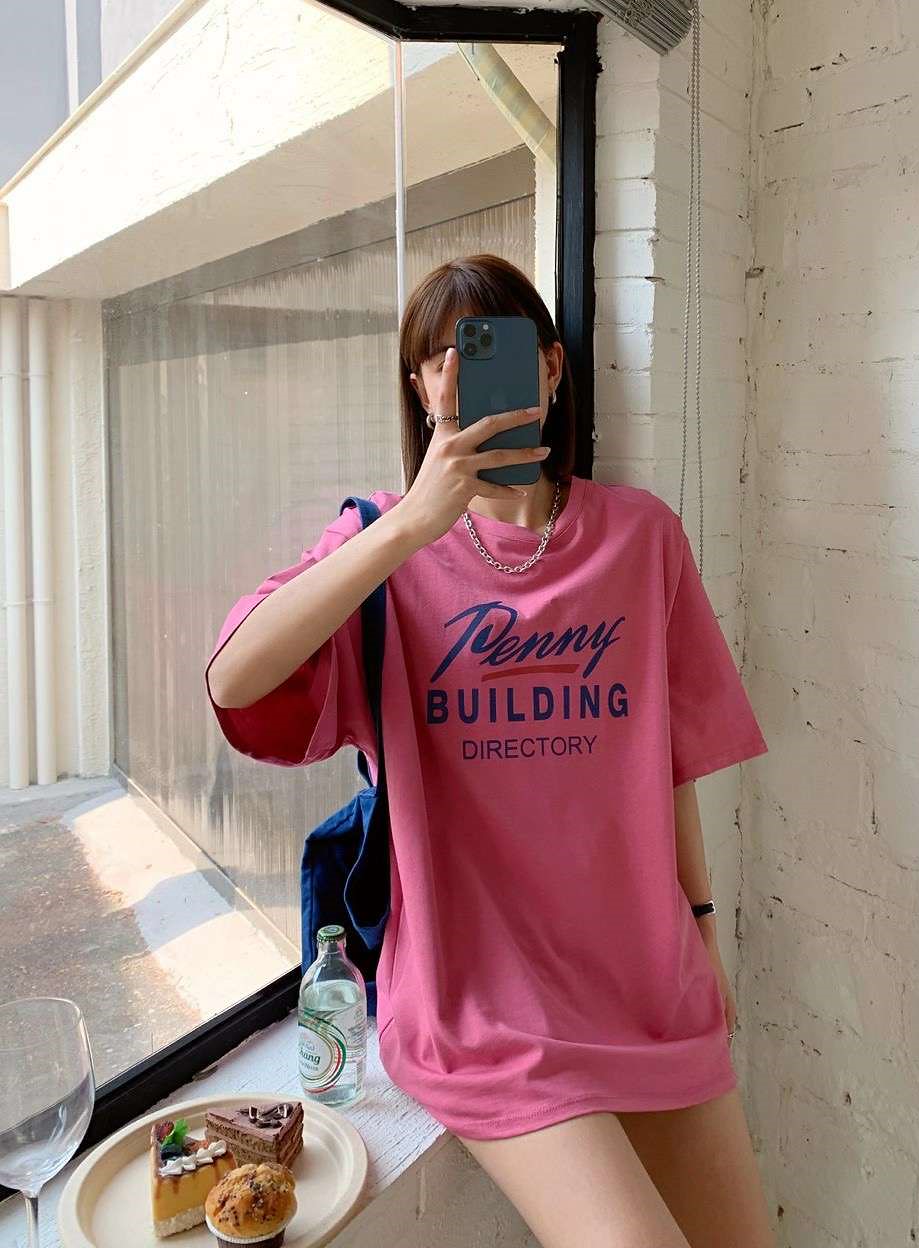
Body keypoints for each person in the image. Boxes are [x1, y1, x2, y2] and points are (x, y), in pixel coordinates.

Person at [205, 253, 775, 1248]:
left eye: (487, 348)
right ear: (420, 390)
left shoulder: (642, 538)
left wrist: (703, 928)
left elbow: (665, 760)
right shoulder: (380, 548)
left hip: (648, 981)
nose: (459, 375)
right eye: (438, 359)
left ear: (549, 368)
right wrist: (412, 526)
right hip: (484, 1010)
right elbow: (233, 679)